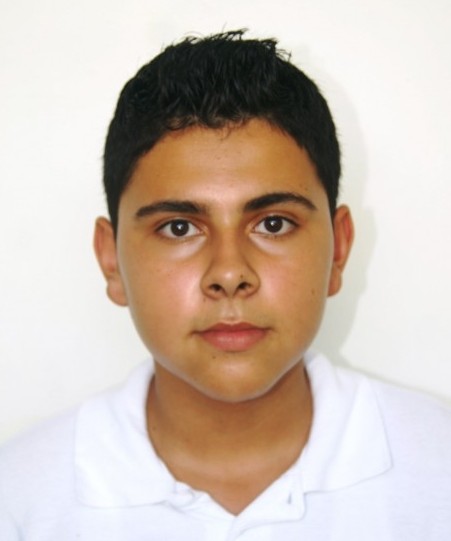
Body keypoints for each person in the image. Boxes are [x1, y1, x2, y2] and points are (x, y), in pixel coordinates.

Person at [1, 30, 450, 540]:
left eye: (273, 224)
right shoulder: (18, 502)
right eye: (179, 228)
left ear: (339, 249)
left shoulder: (439, 473)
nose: (230, 274)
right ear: (111, 261)